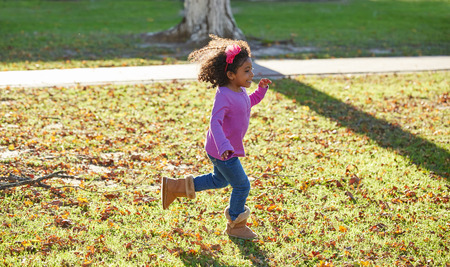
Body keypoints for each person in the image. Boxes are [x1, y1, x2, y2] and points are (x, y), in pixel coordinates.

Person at [161, 35, 272, 239]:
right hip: (223, 150)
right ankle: (236, 225)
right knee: (242, 185)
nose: (251, 74)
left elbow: (247, 103)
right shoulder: (223, 95)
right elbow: (215, 123)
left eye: (251, 70)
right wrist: (223, 145)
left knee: (218, 180)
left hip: (220, 149)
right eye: (246, 71)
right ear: (230, 74)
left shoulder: (238, 91)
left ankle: (175, 187)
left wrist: (261, 91)